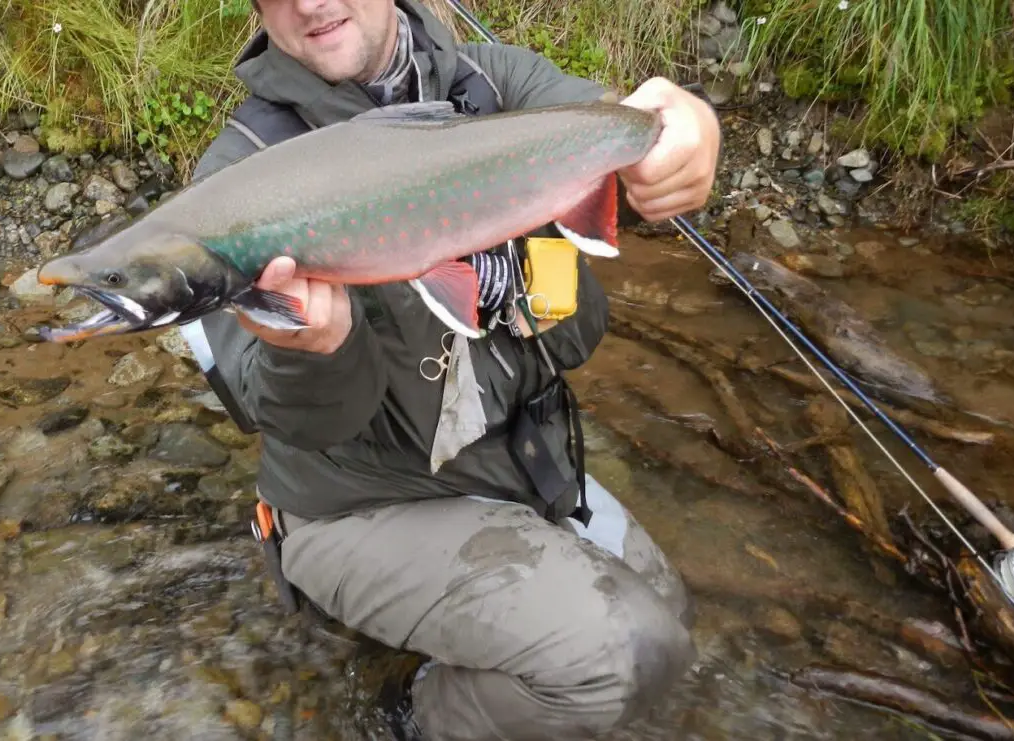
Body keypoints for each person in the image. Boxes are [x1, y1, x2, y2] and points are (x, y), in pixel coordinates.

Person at [184, 0, 721, 738]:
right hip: (356, 507)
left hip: (513, 465)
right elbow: (282, 414)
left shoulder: (495, 84)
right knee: (624, 652)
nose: (311, 3)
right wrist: (315, 354)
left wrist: (684, 119)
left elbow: (622, 120)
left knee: (671, 622)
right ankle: (410, 716)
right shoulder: (234, 182)